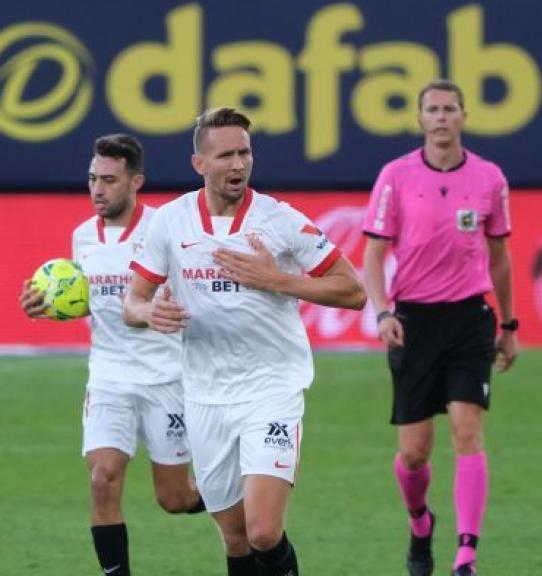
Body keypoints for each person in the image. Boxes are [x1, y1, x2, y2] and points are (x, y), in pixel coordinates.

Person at [122, 108, 366, 576]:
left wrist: (277, 280)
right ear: (200, 164)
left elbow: (353, 291)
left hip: (271, 388)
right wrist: (149, 312)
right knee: (235, 538)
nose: (238, 165)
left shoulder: (279, 220)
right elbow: (133, 304)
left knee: (263, 532)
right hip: (205, 396)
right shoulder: (170, 222)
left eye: (245, 152)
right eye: (226, 155)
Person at [18, 134, 204, 576]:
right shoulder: (83, 236)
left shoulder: (166, 230)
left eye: (109, 180)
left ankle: (240, 498)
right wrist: (52, 309)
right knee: (102, 478)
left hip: (166, 379)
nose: (97, 190)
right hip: (108, 378)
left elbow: (190, 295)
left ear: (135, 181)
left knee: (174, 499)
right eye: (92, 179)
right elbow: (93, 300)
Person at [362, 79, 518, 576]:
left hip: (470, 318)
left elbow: (500, 257)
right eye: (433, 109)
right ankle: (420, 523)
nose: (442, 117)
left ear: (464, 116)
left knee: (467, 430)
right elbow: (373, 252)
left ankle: (466, 554)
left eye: (451, 108)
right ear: (421, 119)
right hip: (414, 321)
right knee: (413, 453)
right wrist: (383, 311)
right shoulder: (396, 176)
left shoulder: (490, 178)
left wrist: (509, 323)